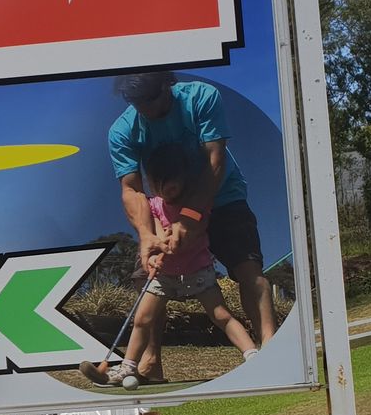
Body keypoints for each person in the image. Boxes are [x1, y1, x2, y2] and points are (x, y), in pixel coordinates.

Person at [107, 70, 275, 381]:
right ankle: (149, 363)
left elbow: (215, 160)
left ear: (166, 83)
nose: (144, 109)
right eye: (135, 102)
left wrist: (193, 216)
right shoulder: (122, 131)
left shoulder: (201, 97)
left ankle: (271, 349)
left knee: (249, 270)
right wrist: (146, 234)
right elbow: (131, 189)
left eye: (150, 99)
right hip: (165, 211)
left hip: (223, 198)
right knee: (150, 279)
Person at [96, 143, 256, 384]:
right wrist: (153, 255)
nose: (167, 186)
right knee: (142, 319)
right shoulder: (152, 206)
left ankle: (253, 357)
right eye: (159, 181)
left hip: (198, 270)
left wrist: (178, 236)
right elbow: (157, 235)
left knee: (221, 315)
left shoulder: (195, 203)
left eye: (171, 179)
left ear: (184, 177)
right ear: (151, 182)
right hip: (164, 276)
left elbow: (196, 227)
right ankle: (127, 368)